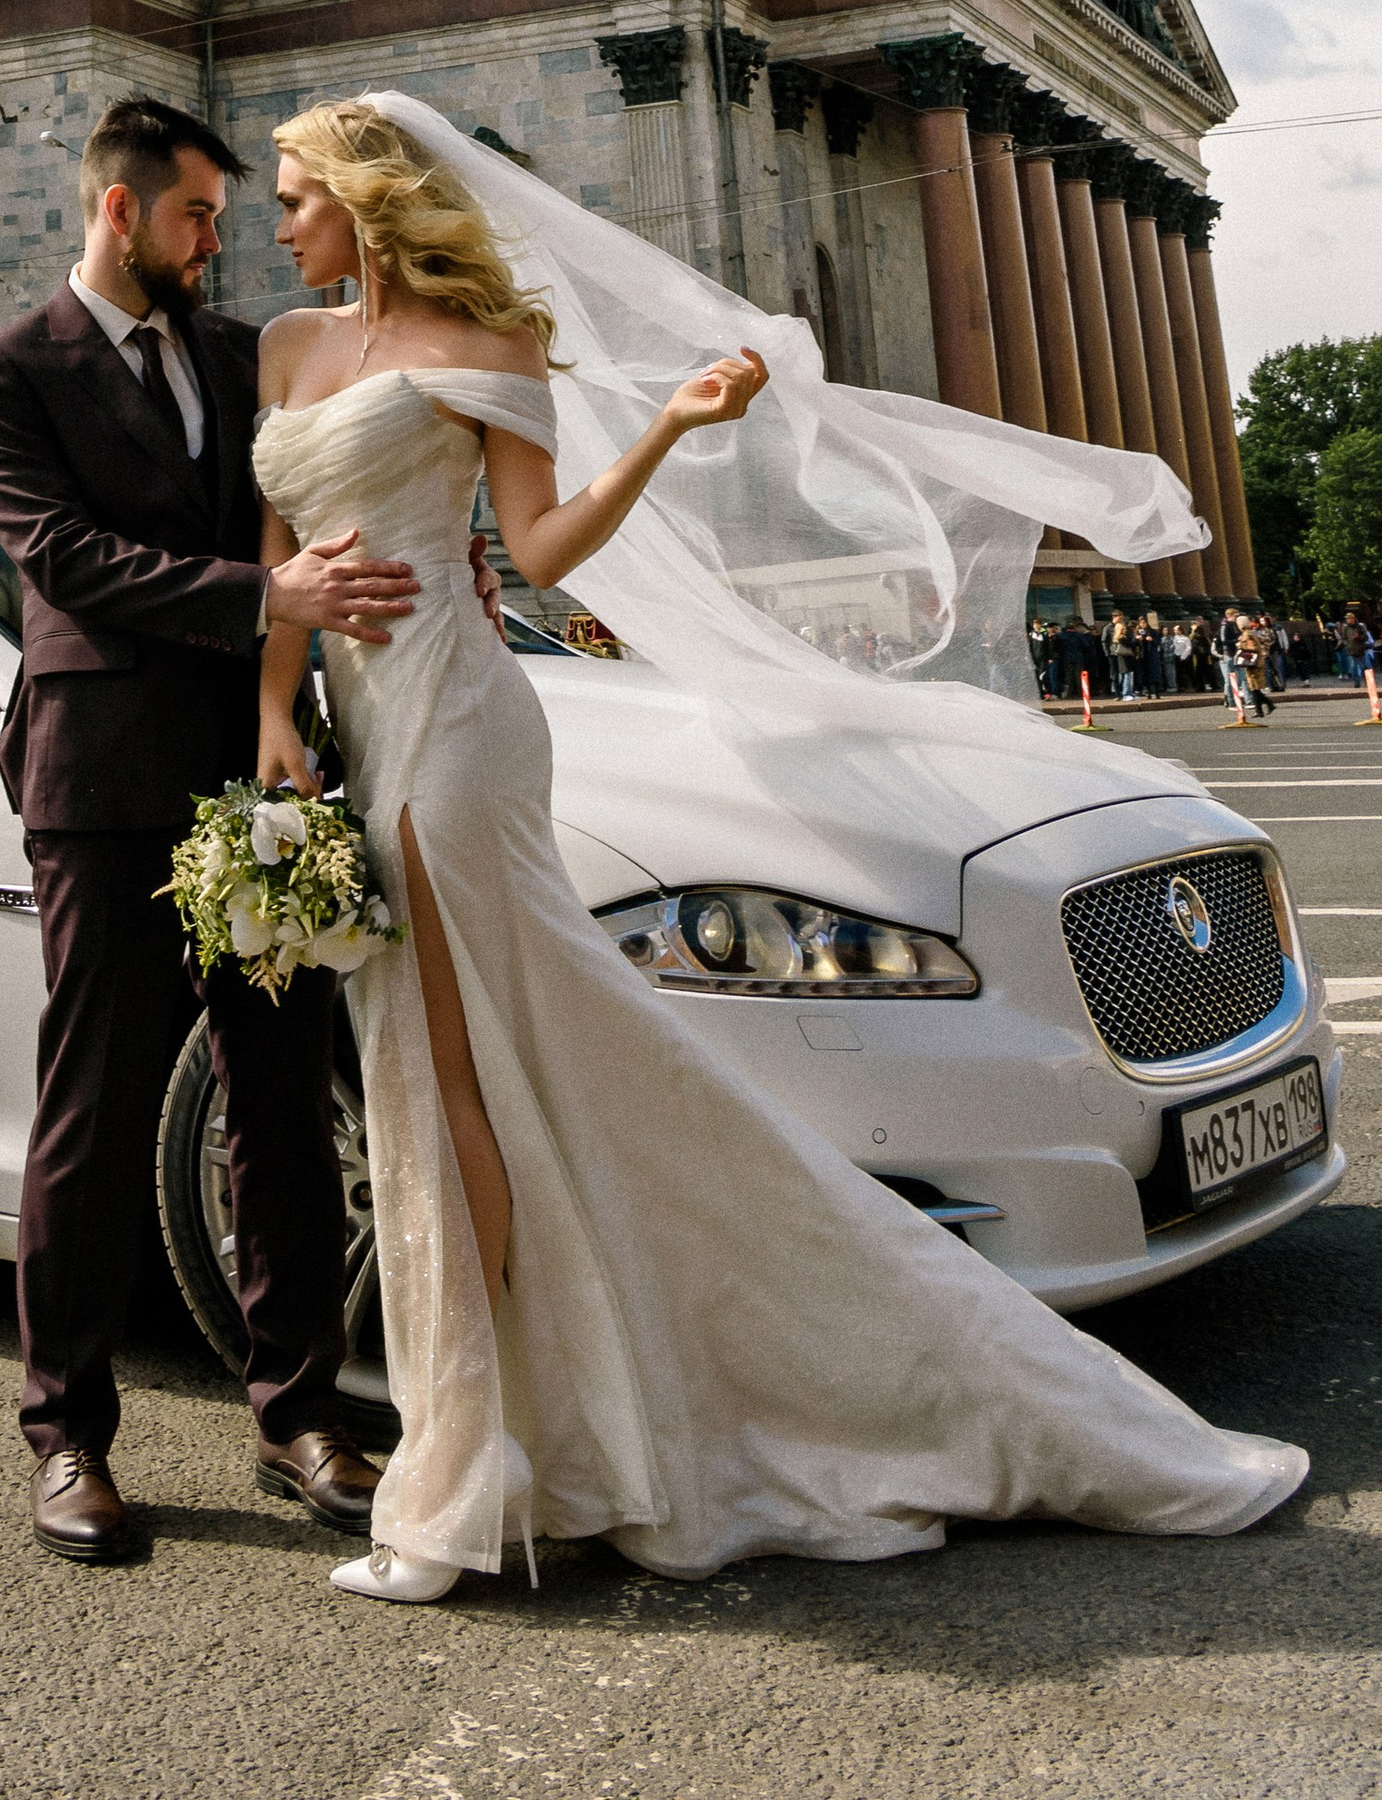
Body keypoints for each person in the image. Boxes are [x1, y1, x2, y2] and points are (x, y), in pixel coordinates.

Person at [252, 92, 1306, 1601]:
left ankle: (464, 1478)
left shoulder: (491, 347)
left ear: (364, 199)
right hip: (362, 737)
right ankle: (516, 1445)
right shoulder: (288, 349)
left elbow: (536, 550)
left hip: (459, 732)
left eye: (295, 195)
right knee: (483, 1077)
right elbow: (283, 562)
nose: (278, 221)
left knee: (446, 1088)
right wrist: (275, 713)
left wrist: (668, 429)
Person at [0, 93, 498, 1570]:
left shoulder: (238, 351)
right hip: (103, 785)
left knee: (280, 1104)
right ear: (119, 209)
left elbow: (319, 498)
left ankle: (297, 1412)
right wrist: (269, 599)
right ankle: (68, 1433)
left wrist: (453, 553)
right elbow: (66, 558)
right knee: (96, 1107)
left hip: (263, 773)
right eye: (196, 213)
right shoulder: (7, 369)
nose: (217, 240)